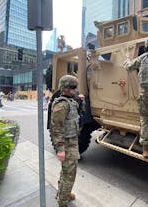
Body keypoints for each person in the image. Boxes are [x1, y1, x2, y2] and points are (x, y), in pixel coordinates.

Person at [51, 75, 81, 207]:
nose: (75, 90)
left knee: (66, 171)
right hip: (67, 144)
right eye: (73, 87)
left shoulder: (70, 101)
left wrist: (81, 101)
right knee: (69, 174)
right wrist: (60, 149)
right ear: (65, 88)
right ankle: (63, 202)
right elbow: (56, 129)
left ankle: (63, 194)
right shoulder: (62, 105)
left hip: (72, 141)